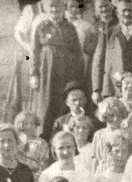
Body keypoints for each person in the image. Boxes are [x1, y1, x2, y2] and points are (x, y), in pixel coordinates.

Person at [31, 0, 85, 142]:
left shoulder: (70, 28)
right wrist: (34, 74)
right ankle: (43, 141)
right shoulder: (41, 27)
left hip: (66, 75)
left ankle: (64, 140)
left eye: (58, 6)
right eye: (52, 7)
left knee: (64, 106)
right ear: (47, 9)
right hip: (46, 75)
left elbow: (77, 54)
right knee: (46, 108)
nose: (55, 10)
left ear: (63, 8)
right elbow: (34, 53)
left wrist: (76, 79)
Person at [91, 0, 132, 101]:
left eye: (130, 10)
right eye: (124, 10)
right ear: (117, 13)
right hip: (114, 91)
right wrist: (96, 90)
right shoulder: (107, 34)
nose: (127, 14)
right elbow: (98, 63)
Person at [93, 97, 132, 173]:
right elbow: (95, 159)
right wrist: (93, 175)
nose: (115, 119)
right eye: (111, 115)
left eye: (119, 115)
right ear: (105, 115)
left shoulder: (128, 134)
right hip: (103, 172)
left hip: (123, 170)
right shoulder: (99, 135)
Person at [65, 0, 98, 89]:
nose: (74, 9)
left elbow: (91, 47)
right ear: (66, 8)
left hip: (81, 60)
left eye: (77, 7)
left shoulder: (86, 26)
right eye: (71, 6)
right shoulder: (62, 25)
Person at [15, 110, 50, 180]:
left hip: (34, 176)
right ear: (21, 124)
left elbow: (43, 163)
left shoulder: (41, 143)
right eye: (26, 123)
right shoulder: (15, 141)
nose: (30, 126)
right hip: (16, 175)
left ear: (36, 124)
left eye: (32, 123)